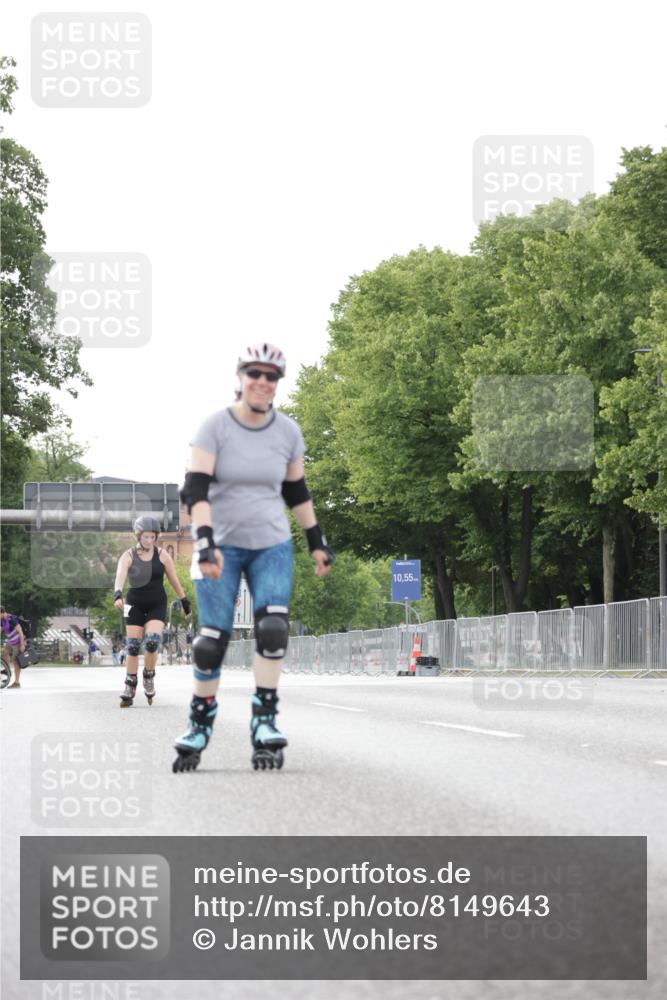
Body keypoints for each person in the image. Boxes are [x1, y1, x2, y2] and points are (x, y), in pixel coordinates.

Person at [173, 341, 333, 774]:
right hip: (220, 545)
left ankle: (264, 720)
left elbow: (295, 490)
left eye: (271, 376)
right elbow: (196, 490)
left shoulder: (288, 432)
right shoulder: (214, 427)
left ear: (278, 384)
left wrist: (316, 541)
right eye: (255, 374)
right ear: (241, 378)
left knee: (273, 628)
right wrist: (204, 543)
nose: (262, 382)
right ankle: (199, 722)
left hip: (272, 544)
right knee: (210, 643)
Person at [113, 516, 192, 707]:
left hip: (157, 602)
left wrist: (184, 601)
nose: (149, 540)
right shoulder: (129, 555)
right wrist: (117, 594)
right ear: (139, 536)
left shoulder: (163, 555)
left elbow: (173, 579)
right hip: (133, 604)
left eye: (153, 537)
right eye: (146, 537)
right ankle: (130, 685)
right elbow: (121, 574)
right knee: (132, 646)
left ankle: (148, 675)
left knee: (152, 642)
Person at [1, 607, 27, 689]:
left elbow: (20, 632)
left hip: (18, 641)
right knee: (5, 652)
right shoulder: (2, 620)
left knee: (16, 661)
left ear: (1, 613)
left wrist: (22, 645)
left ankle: (17, 682)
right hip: (11, 640)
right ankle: (7, 669)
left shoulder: (11, 619)